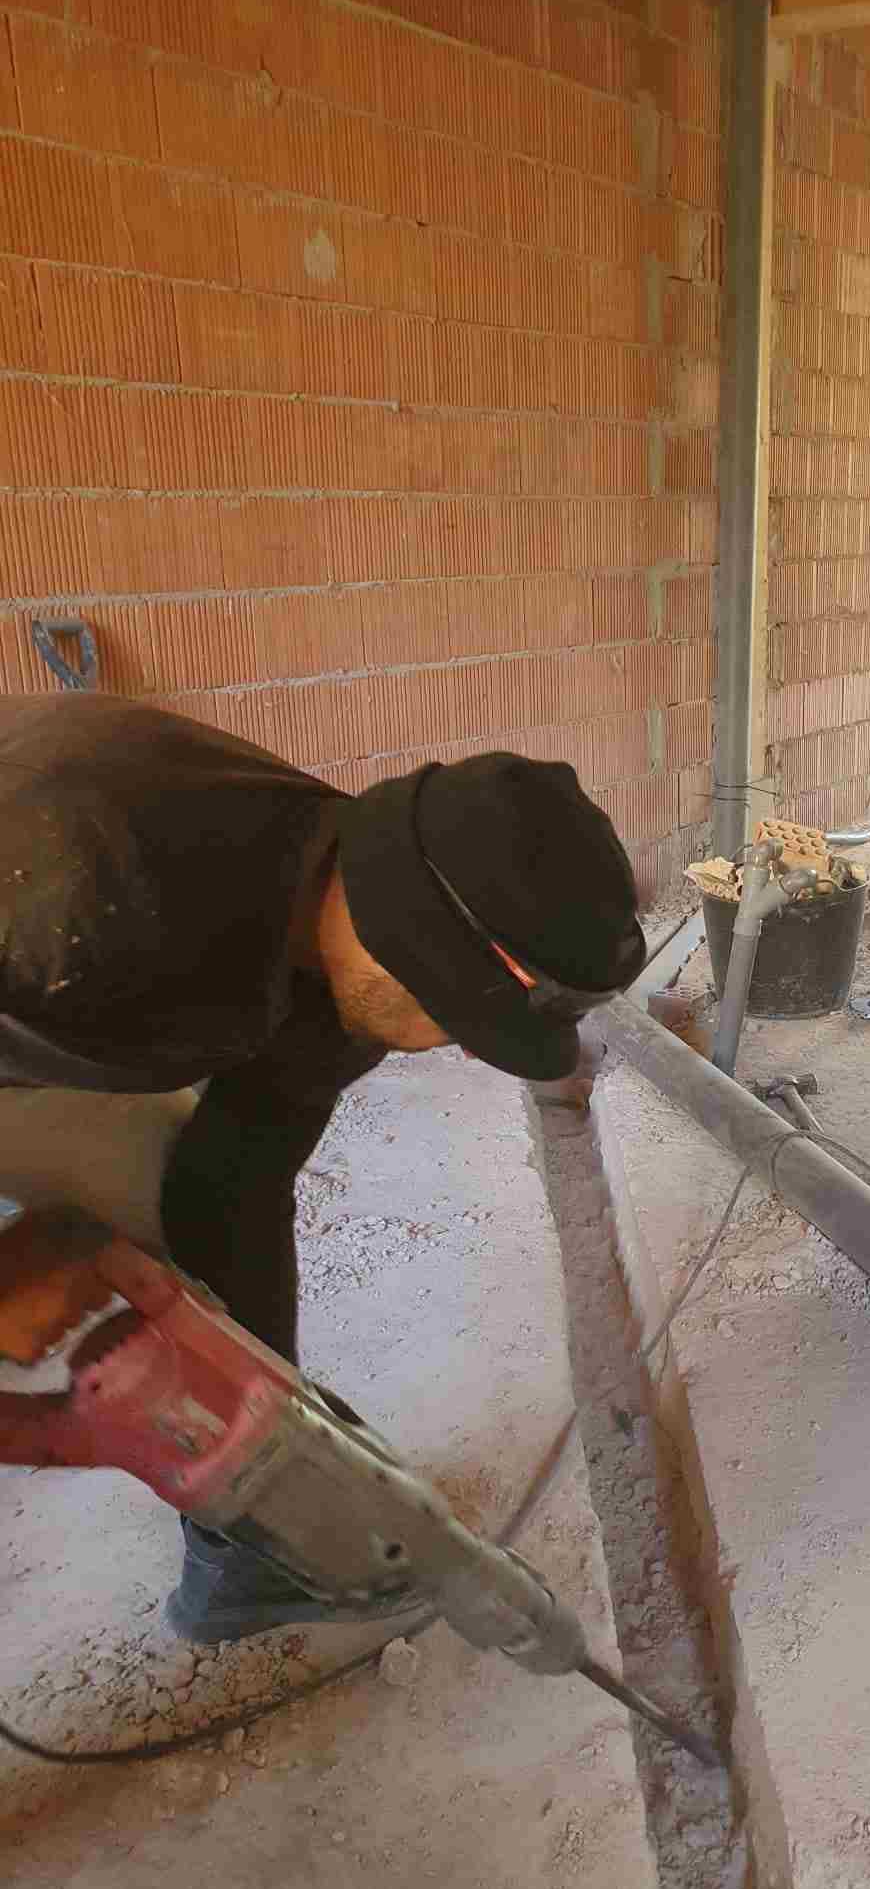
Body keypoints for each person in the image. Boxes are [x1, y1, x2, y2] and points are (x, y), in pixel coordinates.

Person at [0, 692, 646, 1641]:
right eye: (470, 1019)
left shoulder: (343, 927)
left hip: (57, 1003)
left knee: (167, 1219)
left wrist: (278, 1444)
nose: (467, 1052)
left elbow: (235, 1182)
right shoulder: (77, 895)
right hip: (40, 946)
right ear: (420, 943)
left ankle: (243, 1565)